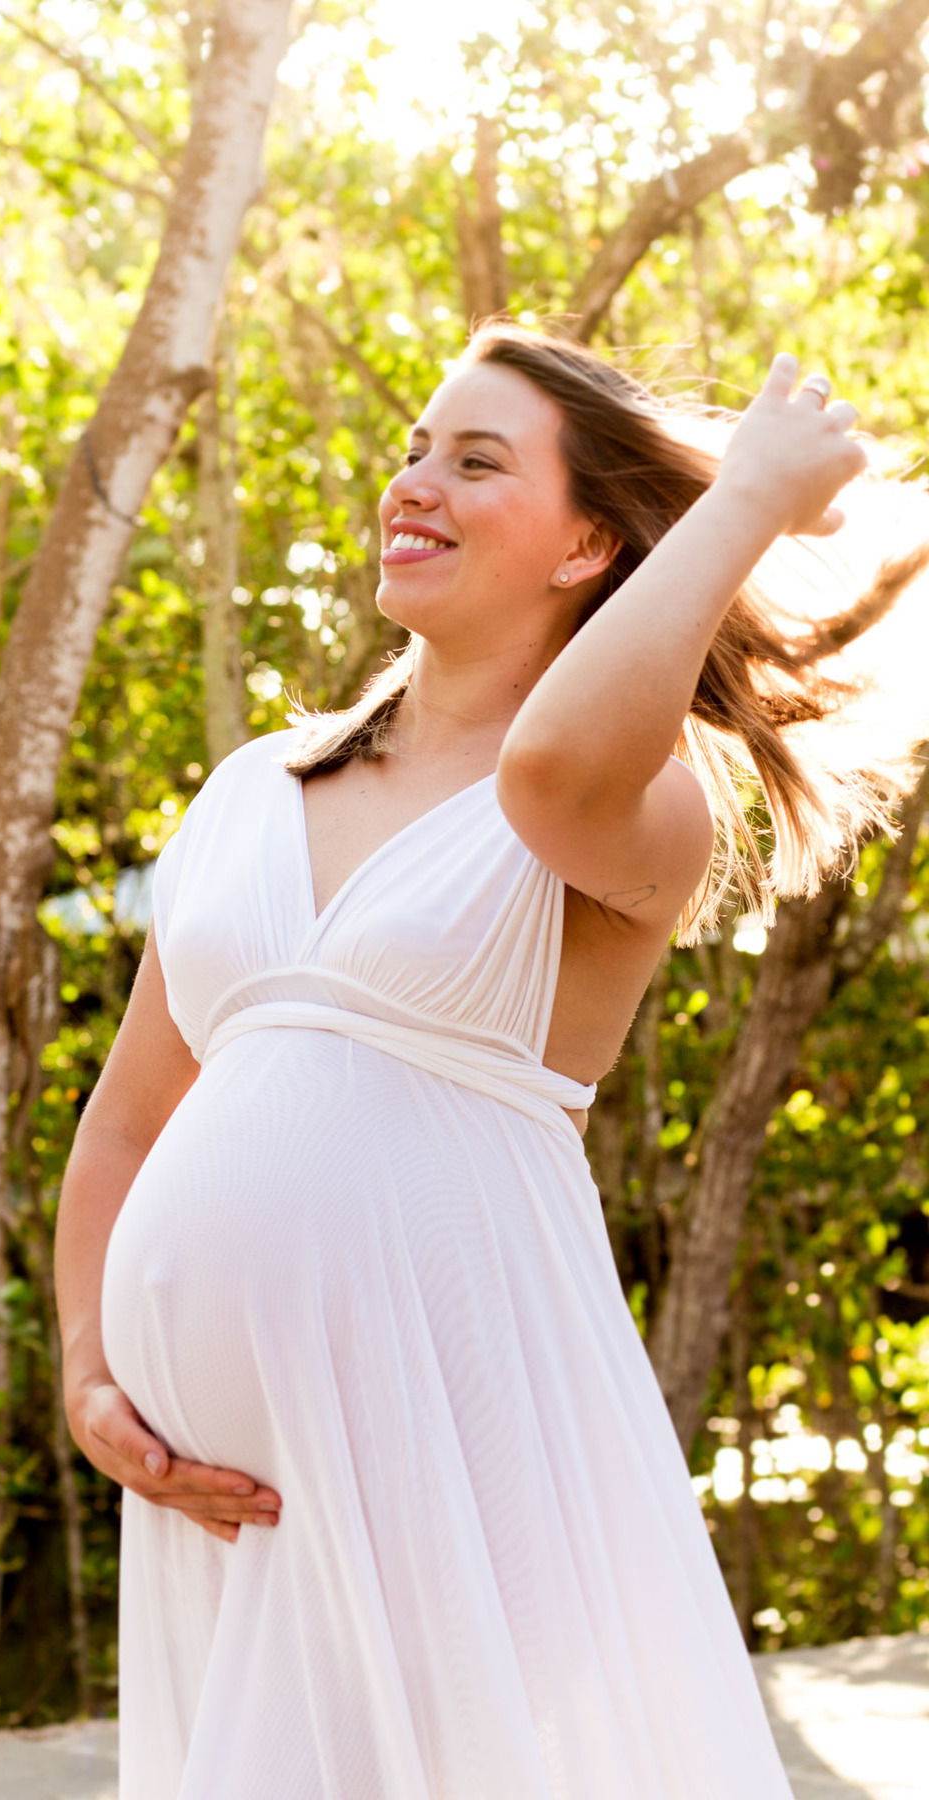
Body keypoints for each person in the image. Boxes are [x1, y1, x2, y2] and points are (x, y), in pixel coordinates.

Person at [56, 328, 894, 1797]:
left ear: (588, 542)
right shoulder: (257, 784)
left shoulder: (640, 812)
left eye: (476, 459)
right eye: (412, 449)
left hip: (449, 1432)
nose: (414, 483)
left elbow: (549, 765)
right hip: (226, 1510)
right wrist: (88, 1371)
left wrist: (743, 501)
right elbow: (128, 1122)